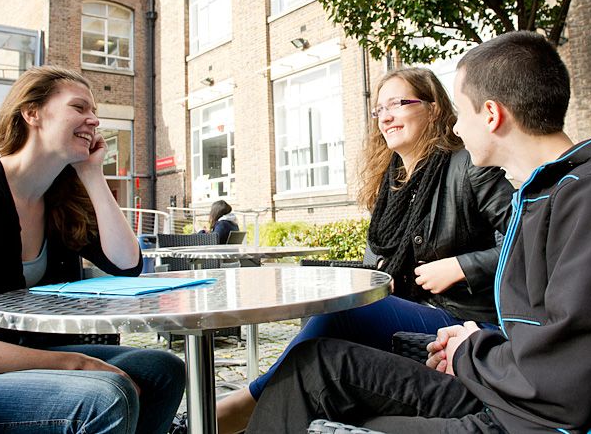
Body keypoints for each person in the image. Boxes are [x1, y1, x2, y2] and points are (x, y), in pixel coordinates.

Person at [245, 31, 591, 433]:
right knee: (317, 367)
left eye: (460, 112)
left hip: (550, 421)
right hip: (514, 399)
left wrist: (472, 350)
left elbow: (567, 381)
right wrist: (469, 345)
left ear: (491, 115)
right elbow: (553, 336)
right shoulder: (558, 192)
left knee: (334, 407)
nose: (454, 125)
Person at [0, 66, 186, 433]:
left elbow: (126, 263)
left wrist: (92, 174)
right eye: (79, 107)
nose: (94, 119)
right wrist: (79, 365)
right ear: (32, 112)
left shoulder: (57, 196)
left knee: (163, 370)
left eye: (94, 112)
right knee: (105, 396)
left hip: (1, 356)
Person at [216, 67, 514, 433]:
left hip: (464, 321)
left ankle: (246, 404)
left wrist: (462, 266)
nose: (385, 117)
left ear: (434, 108)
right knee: (334, 321)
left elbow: (523, 241)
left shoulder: (468, 164)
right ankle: (273, 406)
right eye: (379, 110)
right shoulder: (390, 185)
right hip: (413, 310)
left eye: (398, 104)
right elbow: (376, 263)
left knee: (345, 314)